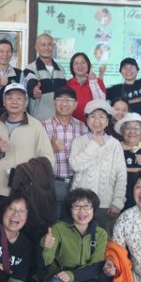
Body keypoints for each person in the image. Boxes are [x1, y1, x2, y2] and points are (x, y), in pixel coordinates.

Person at [41, 188, 112, 282]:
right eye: (77, 206)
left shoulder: (100, 234)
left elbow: (97, 266)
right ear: (70, 209)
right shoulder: (58, 228)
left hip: (86, 280)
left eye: (87, 206)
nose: (82, 211)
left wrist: (72, 275)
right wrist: (46, 246)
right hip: (60, 276)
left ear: (94, 209)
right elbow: (47, 261)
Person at [0, 83, 55, 205]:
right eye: (10, 98)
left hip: (25, 189)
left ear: (26, 102)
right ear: (3, 101)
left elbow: (47, 159)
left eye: (19, 98)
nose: (14, 102)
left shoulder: (36, 126)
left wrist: (28, 173)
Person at [69, 99, 126, 235]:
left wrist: (117, 201)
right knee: (79, 241)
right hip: (80, 204)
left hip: (106, 205)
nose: (97, 121)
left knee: (105, 244)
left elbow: (121, 175)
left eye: (101, 117)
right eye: (93, 116)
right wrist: (94, 144)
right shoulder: (79, 141)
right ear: (87, 120)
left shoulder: (115, 144)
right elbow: (75, 165)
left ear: (107, 121)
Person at [42, 87, 88, 219]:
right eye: (60, 100)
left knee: (74, 222)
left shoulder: (82, 127)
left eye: (68, 100)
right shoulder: (43, 126)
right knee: (53, 222)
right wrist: (51, 148)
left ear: (75, 104)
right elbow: (36, 156)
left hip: (77, 182)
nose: (64, 103)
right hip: (52, 182)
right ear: (54, 102)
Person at [23, 33, 67, 121]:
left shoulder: (61, 69)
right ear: (36, 48)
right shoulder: (30, 68)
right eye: (43, 45)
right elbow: (31, 84)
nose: (47, 48)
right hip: (39, 122)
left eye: (49, 45)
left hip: (60, 120)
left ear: (53, 47)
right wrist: (34, 91)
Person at [65, 52, 106, 122]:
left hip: (93, 124)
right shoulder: (67, 84)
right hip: (73, 125)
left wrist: (93, 82)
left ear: (88, 65)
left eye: (83, 62)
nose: (80, 66)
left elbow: (101, 103)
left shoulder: (98, 82)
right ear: (72, 67)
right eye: (76, 63)